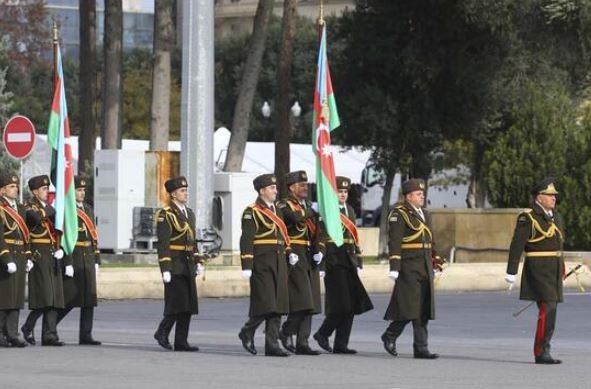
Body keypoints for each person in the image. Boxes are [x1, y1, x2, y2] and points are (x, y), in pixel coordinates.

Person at [505, 178, 564, 364]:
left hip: (553, 269)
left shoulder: (556, 216)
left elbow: (558, 244)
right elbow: (517, 245)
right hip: (538, 269)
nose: (553, 198)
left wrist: (561, 265)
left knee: (551, 309)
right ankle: (541, 352)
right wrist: (511, 271)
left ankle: (544, 348)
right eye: (549, 195)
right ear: (539, 197)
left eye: (554, 195)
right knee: (548, 308)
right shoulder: (528, 218)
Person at [238, 174, 297, 357]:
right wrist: (246, 264)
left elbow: (282, 236)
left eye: (275, 187)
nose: (275, 191)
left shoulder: (277, 210)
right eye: (272, 188)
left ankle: (272, 345)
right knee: (266, 303)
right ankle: (247, 330)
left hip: (278, 261)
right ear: (262, 190)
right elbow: (246, 239)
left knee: (278, 304)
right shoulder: (252, 211)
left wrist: (289, 252)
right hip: (261, 262)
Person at [313, 176, 373, 354]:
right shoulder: (327, 211)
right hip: (333, 260)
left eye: (345, 192)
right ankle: (323, 333)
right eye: (339, 191)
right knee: (342, 304)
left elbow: (354, 237)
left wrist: (359, 258)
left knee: (352, 304)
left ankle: (341, 343)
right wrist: (322, 263)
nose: (343, 195)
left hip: (348, 260)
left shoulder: (351, 211)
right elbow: (321, 236)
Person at [381, 178, 439, 359]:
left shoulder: (425, 214)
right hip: (408, 265)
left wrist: (436, 260)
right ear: (408, 196)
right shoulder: (399, 213)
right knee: (410, 306)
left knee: (422, 307)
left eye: (422, 193)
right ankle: (390, 335)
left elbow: (430, 240)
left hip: (424, 265)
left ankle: (421, 348)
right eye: (418, 194)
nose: (422, 196)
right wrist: (394, 266)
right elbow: (395, 242)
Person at [153, 176, 204, 352]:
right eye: (182, 191)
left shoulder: (189, 213)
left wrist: (198, 260)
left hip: (187, 263)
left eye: (186, 190)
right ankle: (162, 331)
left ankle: (181, 341)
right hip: (174, 263)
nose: (185, 193)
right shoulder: (165, 214)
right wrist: (165, 268)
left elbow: (192, 240)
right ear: (173, 194)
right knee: (177, 302)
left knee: (188, 304)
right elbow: (163, 243)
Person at [277, 170, 322, 355]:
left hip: (309, 254)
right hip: (294, 254)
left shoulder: (308, 205)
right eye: (301, 185)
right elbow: (294, 218)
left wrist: (320, 250)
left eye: (306, 185)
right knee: (303, 299)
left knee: (311, 301)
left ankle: (303, 342)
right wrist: (313, 211)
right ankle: (286, 331)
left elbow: (318, 230)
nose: (305, 188)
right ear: (291, 187)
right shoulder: (284, 205)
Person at [21, 175, 68, 346]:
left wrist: (59, 249)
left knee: (55, 297)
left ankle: (50, 335)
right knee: (45, 296)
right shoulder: (28, 206)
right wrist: (53, 208)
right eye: (43, 189)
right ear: (34, 191)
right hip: (38, 254)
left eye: (47, 189)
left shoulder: (48, 207)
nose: (46, 192)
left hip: (52, 252)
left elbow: (57, 228)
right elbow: (34, 219)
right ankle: (28, 326)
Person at [56, 176, 101, 345]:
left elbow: (94, 236)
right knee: (70, 299)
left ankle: (86, 335)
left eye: (83, 190)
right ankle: (50, 327)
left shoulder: (88, 209)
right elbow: (65, 238)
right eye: (78, 190)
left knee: (89, 299)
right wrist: (67, 262)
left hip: (88, 257)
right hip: (74, 256)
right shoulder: (68, 210)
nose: (81, 193)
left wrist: (97, 259)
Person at [0, 173, 32, 348]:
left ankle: (12, 334)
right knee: (4, 297)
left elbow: (25, 235)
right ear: (2, 189)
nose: (15, 189)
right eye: (11, 186)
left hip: (19, 254)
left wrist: (28, 256)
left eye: (16, 186)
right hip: (6, 255)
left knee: (17, 296)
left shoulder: (20, 208)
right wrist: (6, 257)